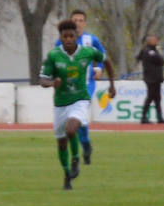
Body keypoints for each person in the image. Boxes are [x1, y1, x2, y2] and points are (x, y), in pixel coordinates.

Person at [40, 20, 116, 190]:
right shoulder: (53, 56)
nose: (68, 39)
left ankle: (75, 159)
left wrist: (112, 84)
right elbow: (42, 80)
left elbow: (107, 61)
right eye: (64, 36)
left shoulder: (87, 52)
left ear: (76, 36)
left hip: (80, 99)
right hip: (60, 104)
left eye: (71, 36)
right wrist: (53, 83)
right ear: (61, 37)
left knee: (71, 129)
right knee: (61, 142)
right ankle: (67, 175)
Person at [55, 9, 105, 165]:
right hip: (69, 87)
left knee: (78, 113)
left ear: (85, 23)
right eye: (75, 20)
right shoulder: (61, 41)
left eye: (80, 20)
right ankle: (86, 144)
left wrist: (98, 69)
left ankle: (85, 144)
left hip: (87, 84)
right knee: (76, 118)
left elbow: (102, 56)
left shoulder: (92, 40)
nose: (77, 23)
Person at [136, 34, 164, 124]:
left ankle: (159, 117)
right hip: (151, 78)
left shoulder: (150, 50)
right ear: (150, 41)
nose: (156, 41)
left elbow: (138, 57)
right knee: (150, 97)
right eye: (155, 40)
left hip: (156, 78)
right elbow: (161, 61)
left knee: (157, 98)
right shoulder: (149, 51)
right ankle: (143, 117)